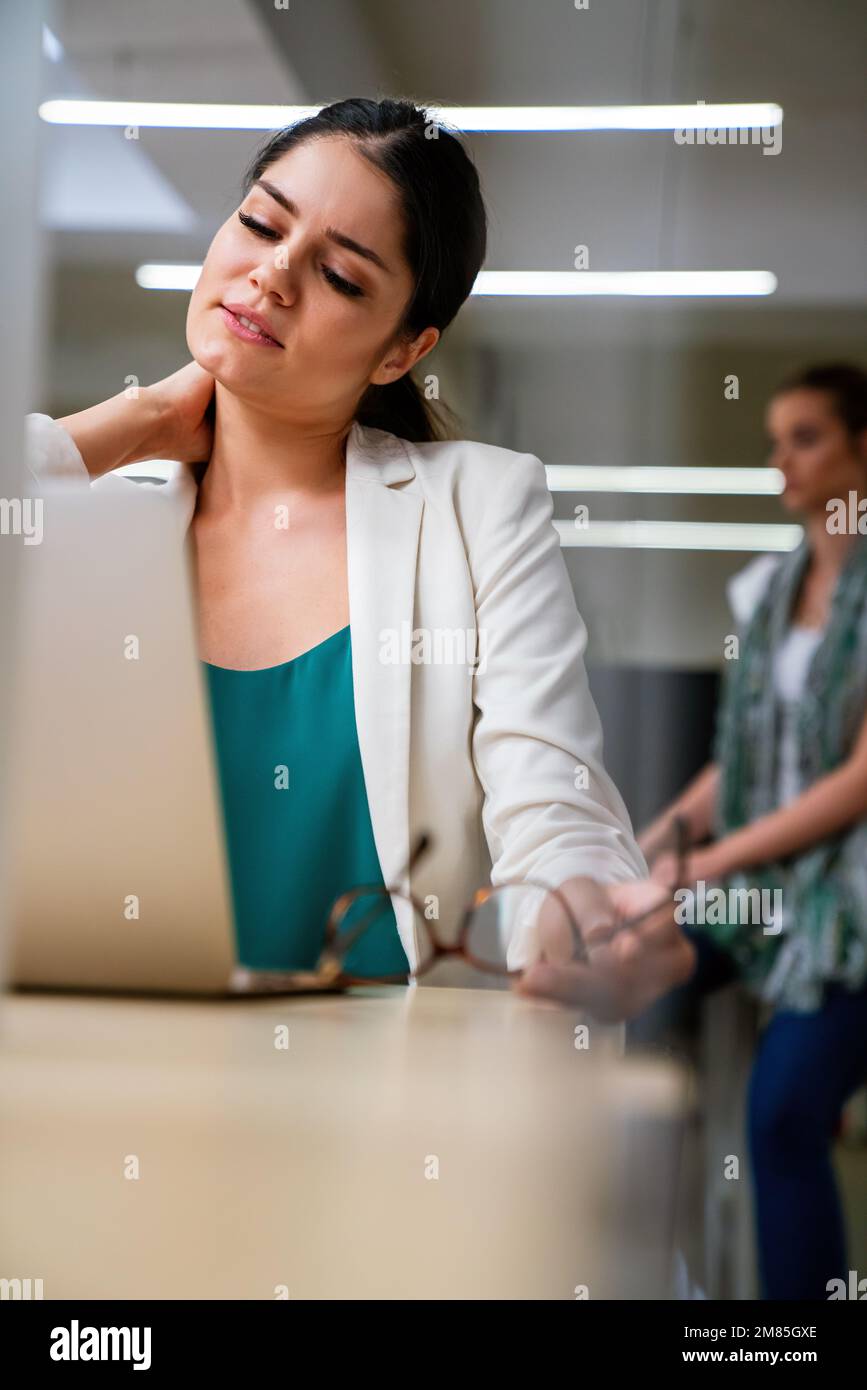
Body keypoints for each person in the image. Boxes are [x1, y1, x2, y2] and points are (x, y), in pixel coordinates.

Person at [25, 96, 669, 985]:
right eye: (259, 222)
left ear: (401, 351)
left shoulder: (476, 508)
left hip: (374, 1089)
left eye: (342, 278)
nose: (272, 275)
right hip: (115, 1061)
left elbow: (552, 801)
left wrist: (585, 920)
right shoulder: (100, 528)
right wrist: (125, 425)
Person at [626, 363, 867, 1300]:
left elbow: (855, 780)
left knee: (780, 1119)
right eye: (775, 441)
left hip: (849, 905)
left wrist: (716, 858)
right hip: (762, 881)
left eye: (804, 438)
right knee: (618, 969)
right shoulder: (766, 591)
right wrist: (650, 843)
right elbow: (743, 762)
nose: (780, 462)